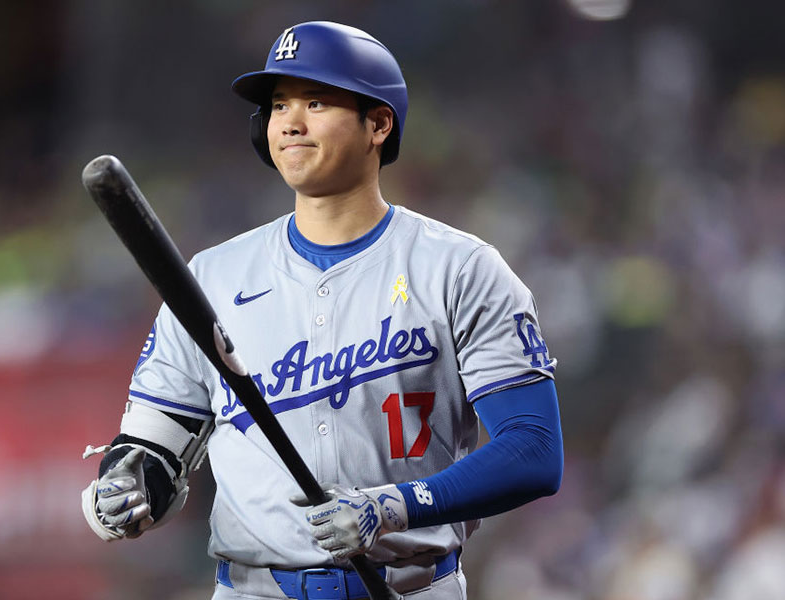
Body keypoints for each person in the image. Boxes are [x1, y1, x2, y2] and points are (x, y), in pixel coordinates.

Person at [81, 21, 564, 600]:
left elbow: (533, 449)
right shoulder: (211, 277)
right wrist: (127, 486)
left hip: (411, 588)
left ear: (378, 123)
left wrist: (395, 507)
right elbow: (154, 445)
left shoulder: (459, 269)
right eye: (279, 105)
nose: (290, 121)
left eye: (316, 100)